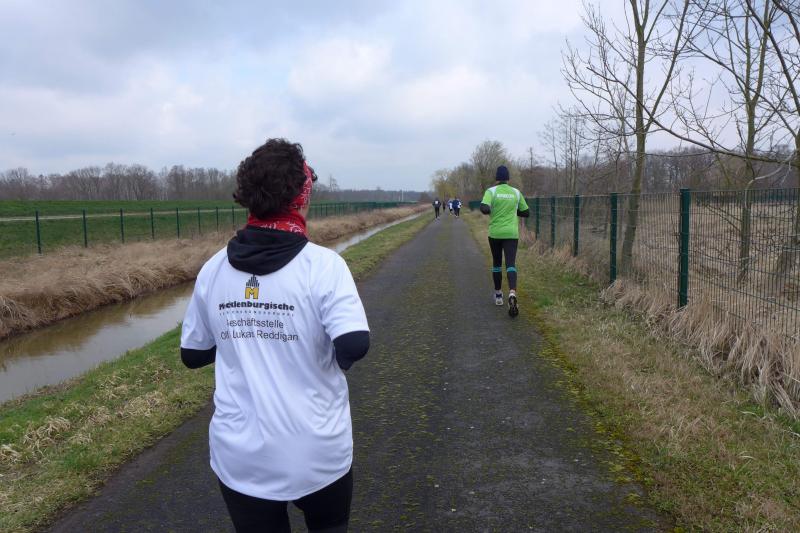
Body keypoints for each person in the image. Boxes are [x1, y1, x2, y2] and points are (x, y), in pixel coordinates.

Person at [180, 138, 370, 532]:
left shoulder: (214, 268)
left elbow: (193, 354)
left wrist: (243, 333)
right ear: (301, 198)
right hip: (316, 450)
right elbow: (354, 344)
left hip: (241, 457)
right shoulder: (324, 266)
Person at [480, 165, 529, 317]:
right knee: (510, 264)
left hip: (495, 233)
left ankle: (499, 296)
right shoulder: (516, 192)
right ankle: (512, 293)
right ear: (508, 178)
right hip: (511, 234)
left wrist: (491, 210)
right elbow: (526, 212)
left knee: (496, 264)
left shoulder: (491, 191)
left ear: (496, 178)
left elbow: (484, 208)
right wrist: (514, 210)